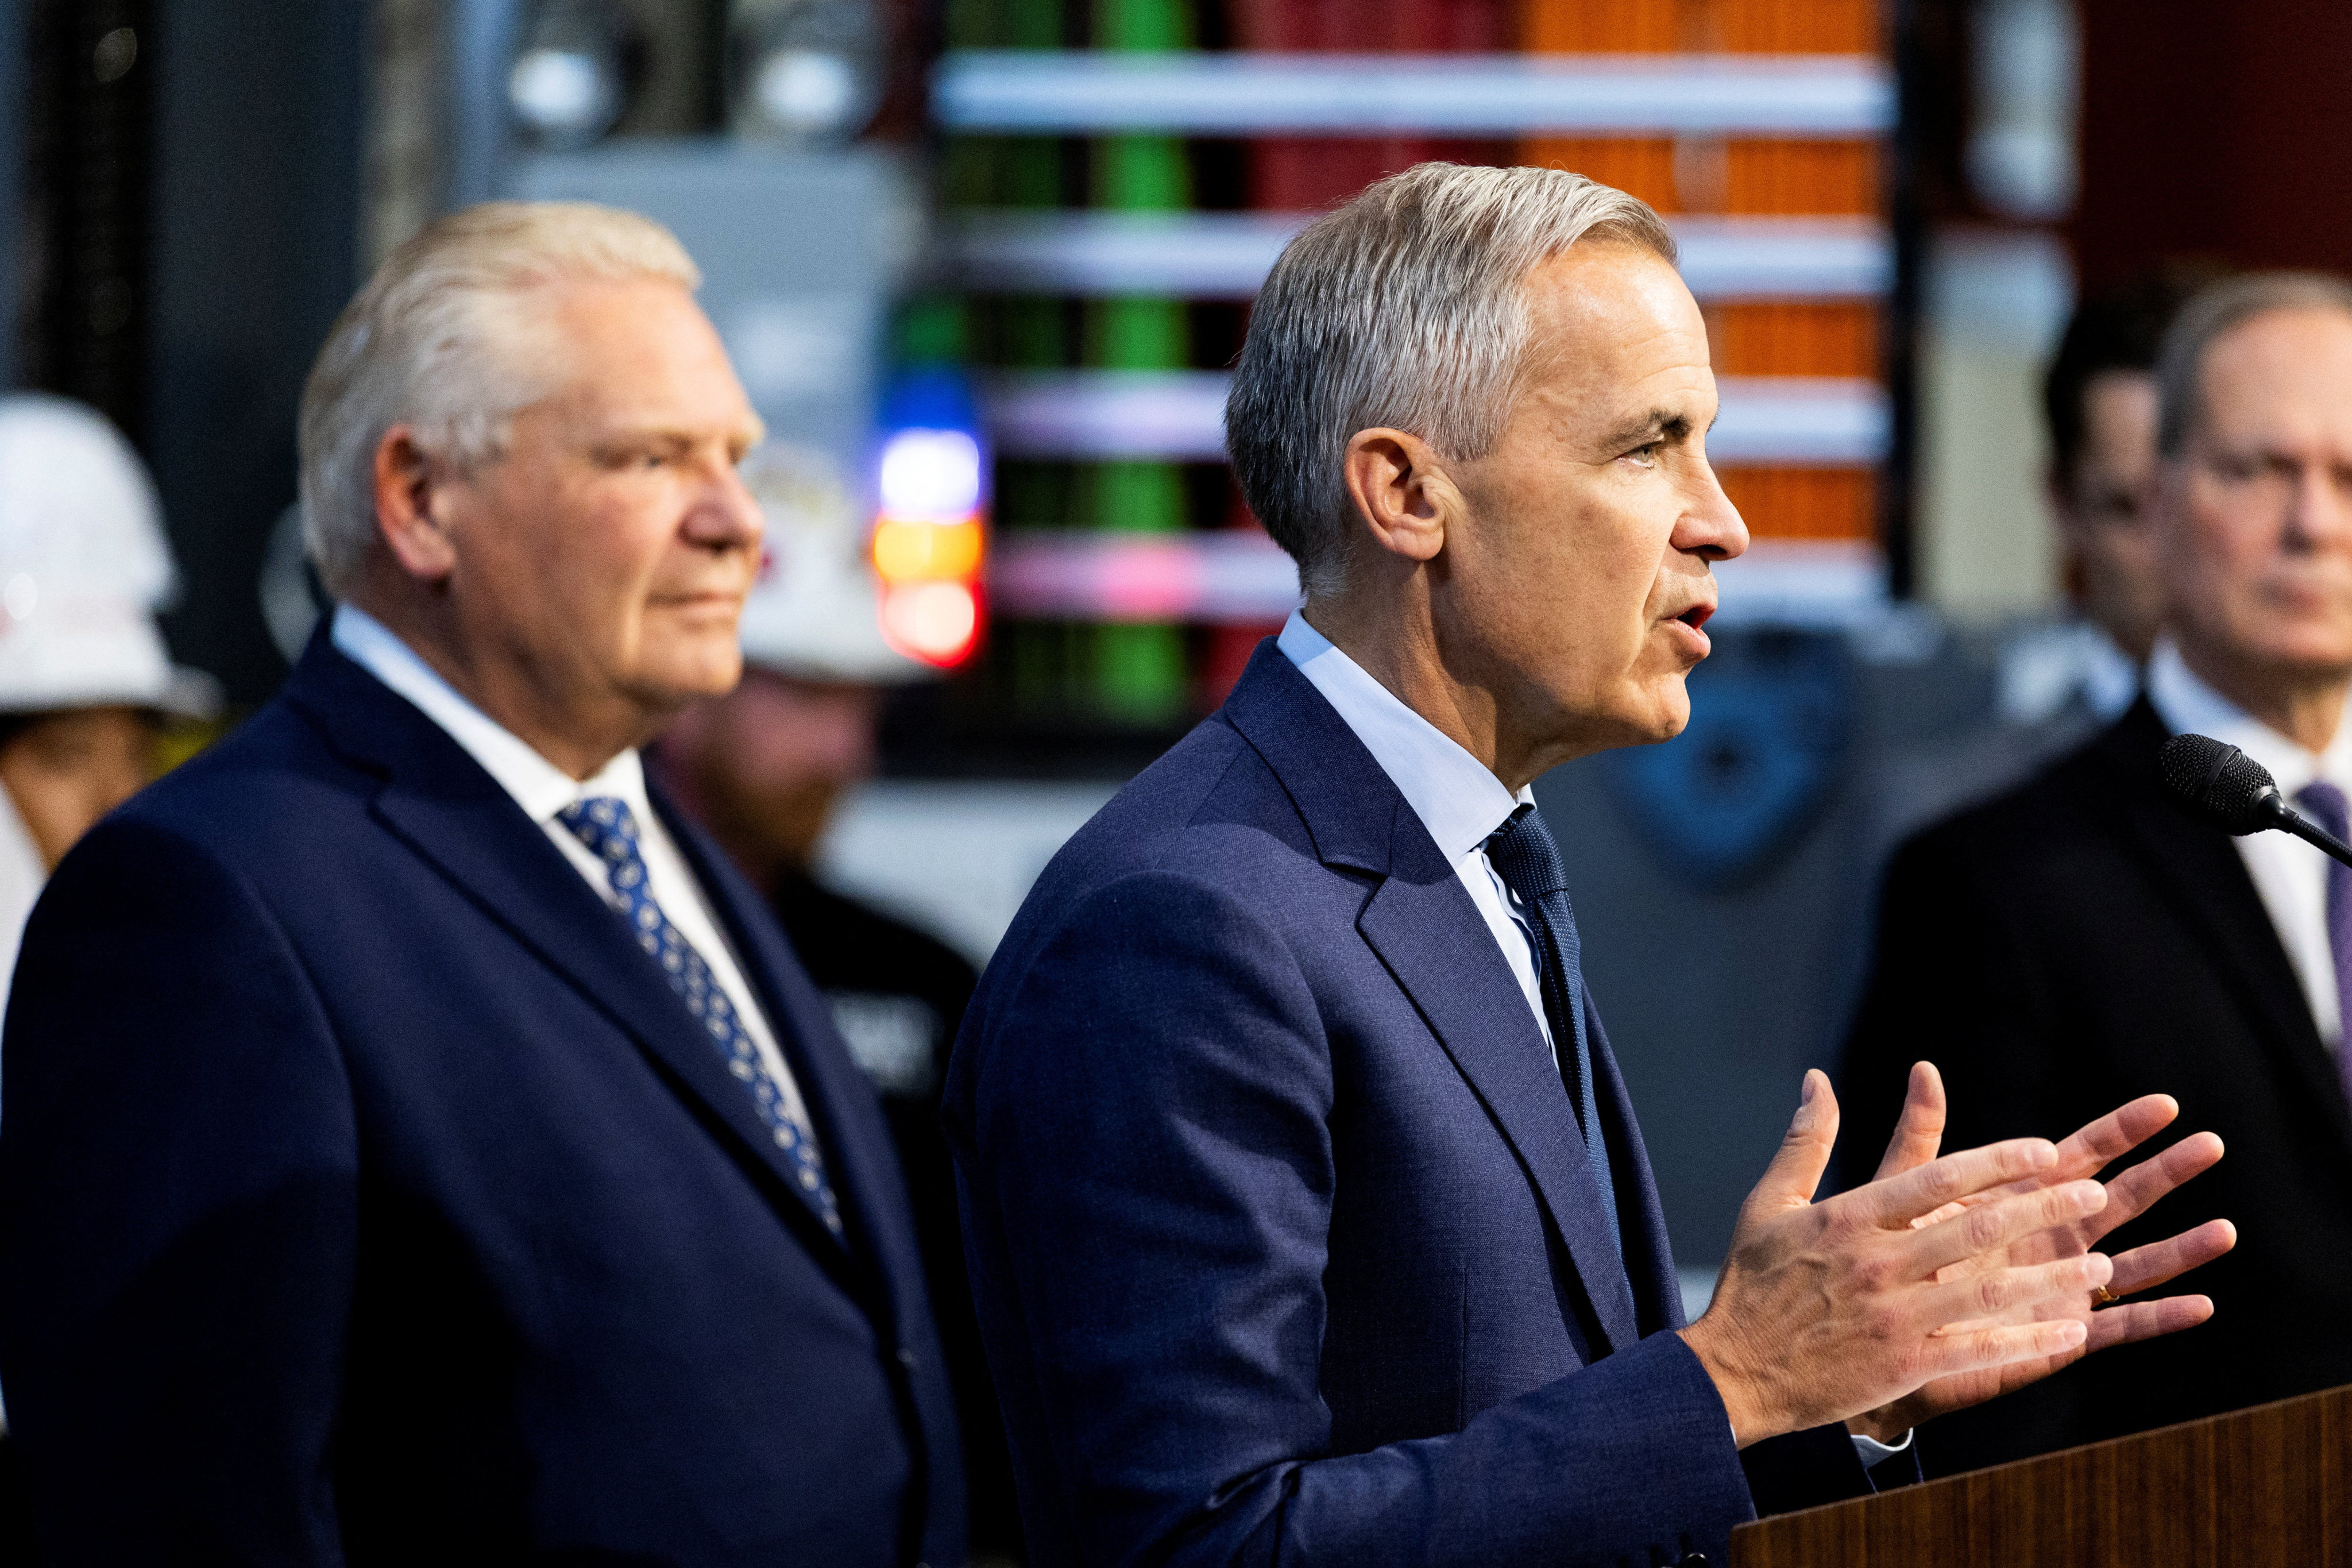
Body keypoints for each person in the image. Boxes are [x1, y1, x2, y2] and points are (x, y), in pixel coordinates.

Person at [945, 163, 2233, 1568]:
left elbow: (1562, 1441)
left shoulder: (1477, 856)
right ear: (1406, 494)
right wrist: (1732, 1379)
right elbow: (1205, 1548)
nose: (1721, 520)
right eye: (1646, 447)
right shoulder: (1181, 927)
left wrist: (1832, 1396)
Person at [0, 202, 963, 1566]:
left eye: (733, 458)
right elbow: (185, 1511)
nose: (735, 524)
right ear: (420, 500)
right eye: (650, 458)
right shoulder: (213, 904)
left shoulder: (654, 849)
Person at [1840, 271, 2352, 1476]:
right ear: (2152, 503)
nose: (2313, 524)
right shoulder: (1994, 879)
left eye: (2348, 475)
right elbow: (1949, 1356)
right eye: (2258, 471)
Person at [650, 453, 1017, 1560]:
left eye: (864, 703)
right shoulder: (555, 958)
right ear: (686, 688)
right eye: (809, 692)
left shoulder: (924, 979)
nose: (847, 750)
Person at [2002, 273, 2214, 730]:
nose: (2175, 553)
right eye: (2131, 509)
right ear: (2062, 504)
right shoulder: (1988, 773)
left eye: (2221, 500)